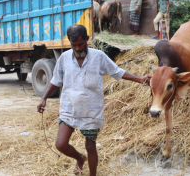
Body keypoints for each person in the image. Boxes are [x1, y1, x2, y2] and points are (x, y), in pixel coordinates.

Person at [36, 25, 151, 176]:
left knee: (90, 146)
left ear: (87, 39)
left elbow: (117, 72)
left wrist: (140, 79)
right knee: (60, 144)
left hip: (91, 109)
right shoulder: (64, 58)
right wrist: (44, 98)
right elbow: (56, 80)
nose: (77, 48)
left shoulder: (99, 56)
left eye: (80, 44)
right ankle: (79, 158)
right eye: (73, 45)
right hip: (69, 108)